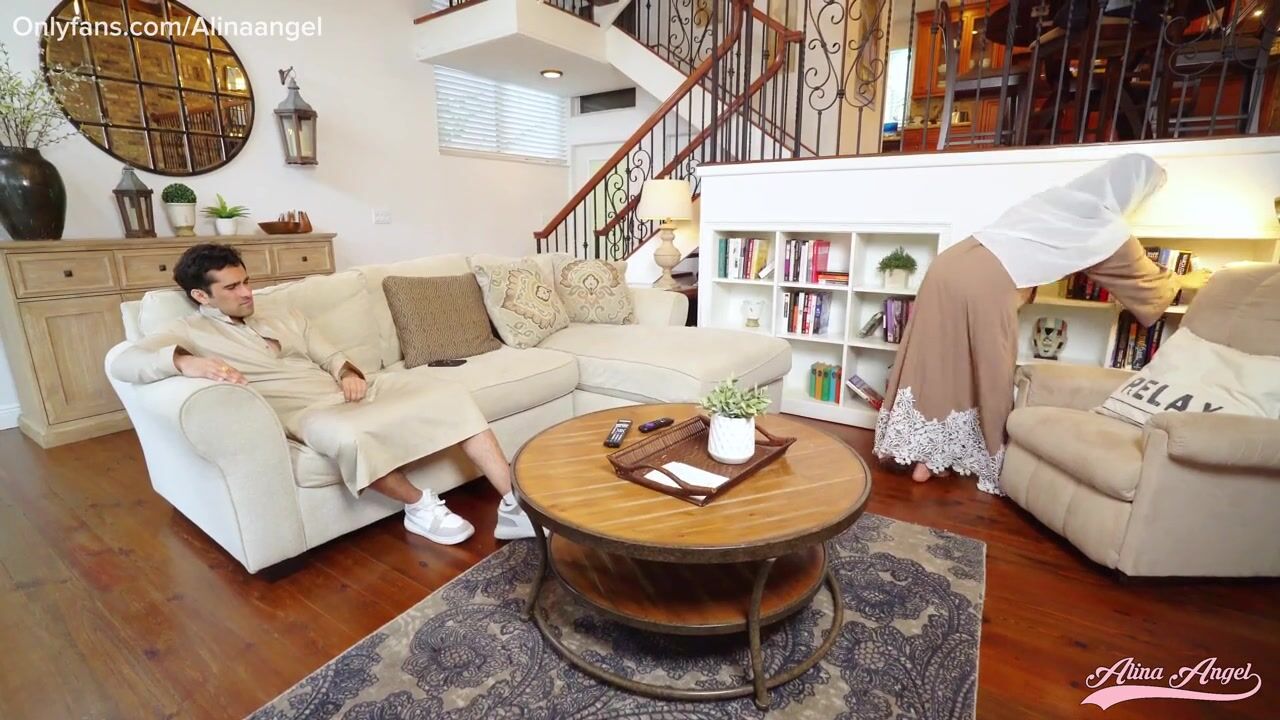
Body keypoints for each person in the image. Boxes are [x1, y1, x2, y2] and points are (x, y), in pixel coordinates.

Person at [109, 243, 534, 545]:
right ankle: (420, 506)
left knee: (451, 395)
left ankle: (513, 505)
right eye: (232, 288)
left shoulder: (280, 313)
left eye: (246, 281)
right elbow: (123, 361)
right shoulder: (188, 331)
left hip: (351, 390)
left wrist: (346, 371)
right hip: (306, 411)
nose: (247, 293)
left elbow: (329, 353)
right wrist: (184, 362)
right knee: (348, 436)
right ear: (201, 296)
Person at [873, 154, 1211, 495]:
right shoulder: (1107, 227)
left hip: (948, 266)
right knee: (989, 371)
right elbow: (1148, 287)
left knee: (938, 361)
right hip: (985, 284)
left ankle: (925, 459)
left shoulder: (1055, 199)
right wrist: (1187, 280)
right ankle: (977, 460)